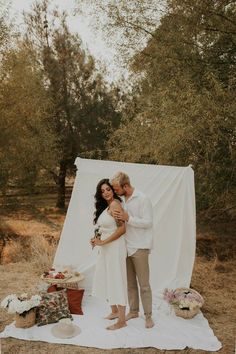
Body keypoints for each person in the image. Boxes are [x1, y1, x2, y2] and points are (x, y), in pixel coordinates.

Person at [110, 172, 154, 328]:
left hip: (140, 246)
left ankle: (148, 316)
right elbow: (122, 222)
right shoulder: (121, 200)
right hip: (125, 247)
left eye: (116, 188)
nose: (115, 191)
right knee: (130, 284)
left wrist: (128, 218)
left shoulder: (143, 198)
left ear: (126, 186)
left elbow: (148, 222)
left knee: (144, 285)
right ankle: (134, 311)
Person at [91, 178, 128, 330]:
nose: (105, 193)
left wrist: (104, 242)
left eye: (108, 189)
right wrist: (96, 239)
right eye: (102, 191)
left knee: (116, 280)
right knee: (108, 278)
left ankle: (122, 320)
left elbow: (122, 229)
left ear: (113, 190)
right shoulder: (106, 207)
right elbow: (104, 228)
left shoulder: (115, 205)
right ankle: (113, 311)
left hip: (115, 248)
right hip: (106, 248)